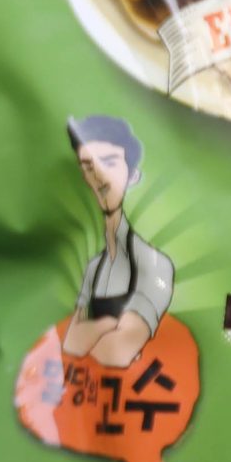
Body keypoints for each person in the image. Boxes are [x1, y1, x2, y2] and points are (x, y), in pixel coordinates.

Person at [62, 115, 173, 369]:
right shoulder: (93, 268)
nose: (100, 178)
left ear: (133, 176)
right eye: (88, 166)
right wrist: (108, 325)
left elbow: (117, 353)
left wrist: (91, 332)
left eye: (109, 163)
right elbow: (69, 343)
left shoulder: (156, 265)